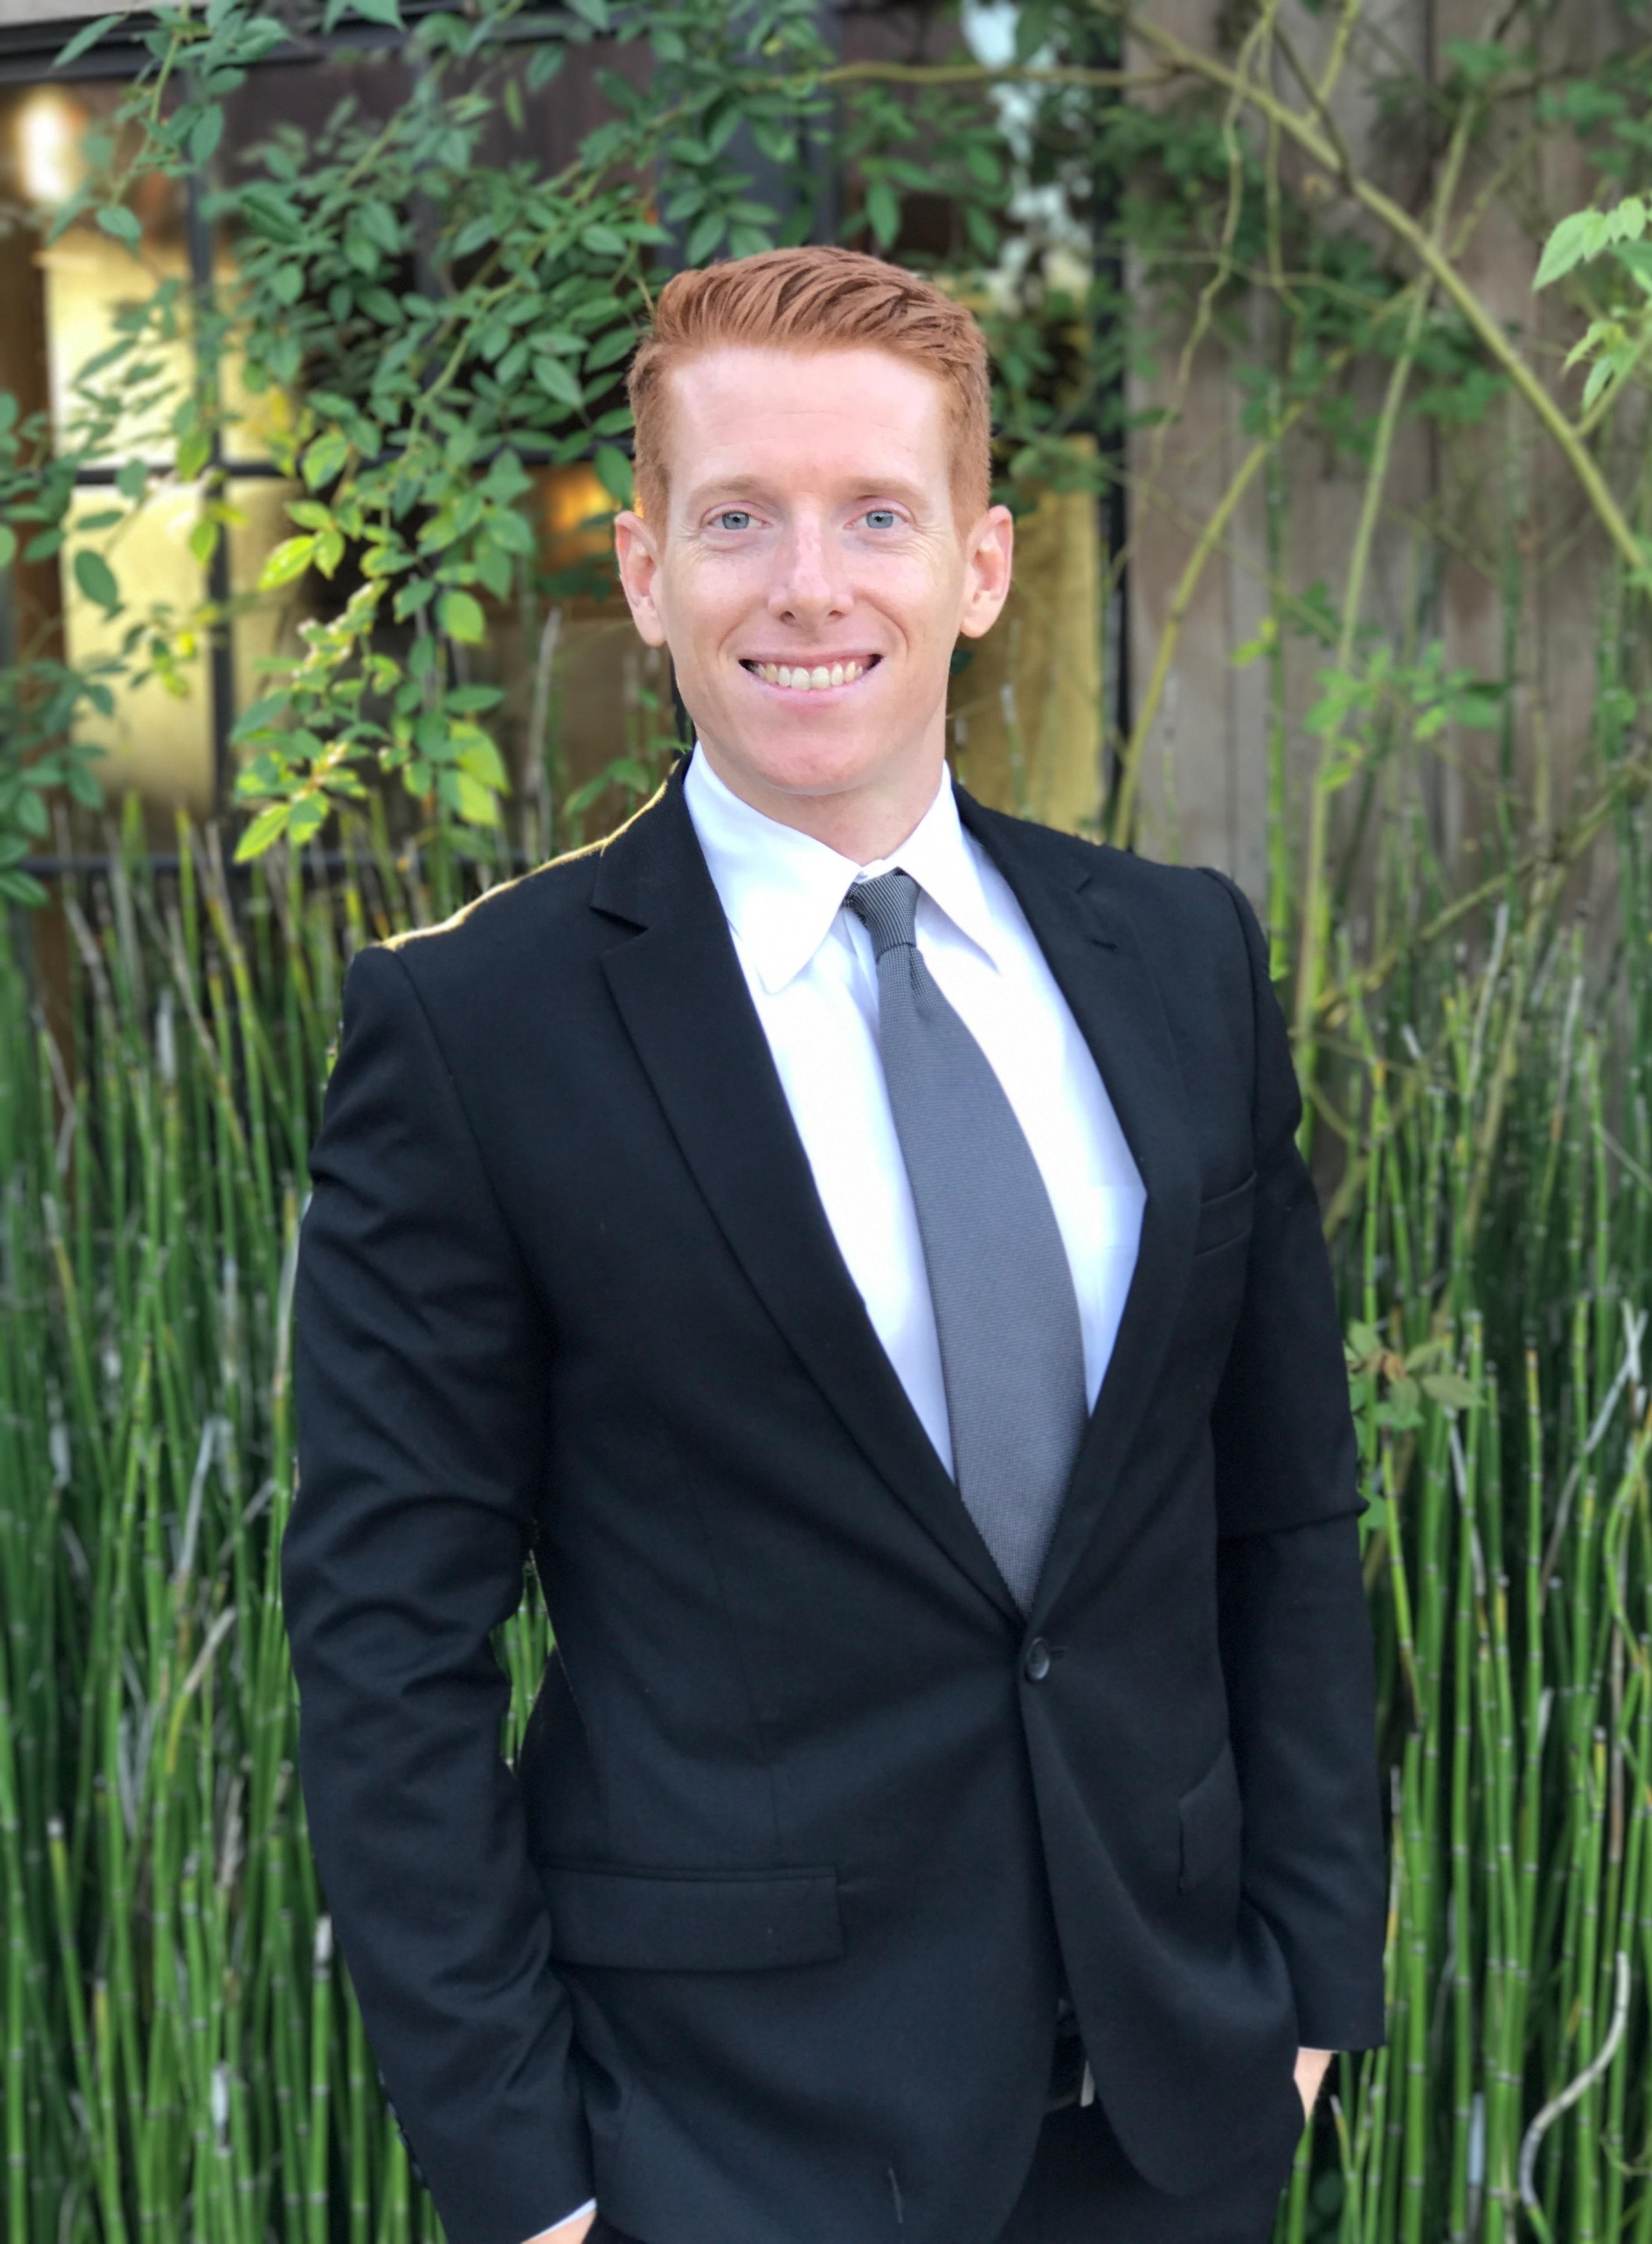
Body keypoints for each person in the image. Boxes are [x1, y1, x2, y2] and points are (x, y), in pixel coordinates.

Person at [282, 245, 1387, 2244]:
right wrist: (528, 2178)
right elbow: (389, 1642)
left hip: (1171, 2106)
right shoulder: (478, 1027)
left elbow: (1286, 1510)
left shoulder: (1183, 960)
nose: (810, 585)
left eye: (877, 514)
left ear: (982, 564)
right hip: (721, 2140)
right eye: (738, 522)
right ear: (643, 573)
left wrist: (1312, 1977)